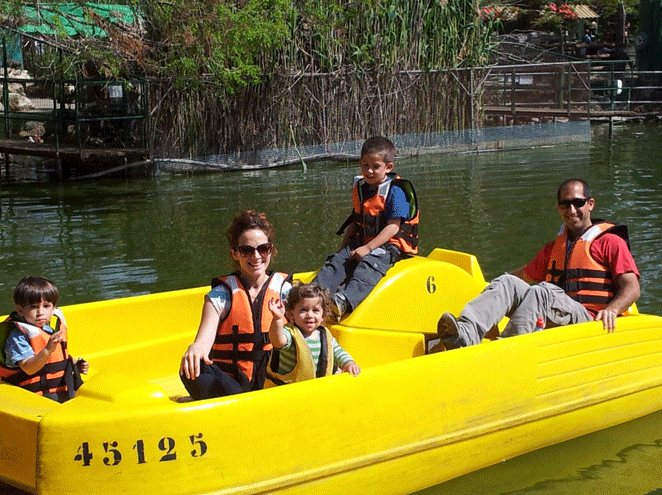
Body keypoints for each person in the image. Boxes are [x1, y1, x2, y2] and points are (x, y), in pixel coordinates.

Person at [437, 178, 640, 349]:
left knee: (541, 291)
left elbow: (632, 288)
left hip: (590, 321)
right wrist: (488, 287)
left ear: (590, 204)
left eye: (578, 203)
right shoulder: (554, 248)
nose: (571, 210)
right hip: (558, 314)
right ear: (558, 208)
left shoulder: (611, 242)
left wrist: (612, 310)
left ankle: (506, 349)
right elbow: (523, 275)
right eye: (565, 204)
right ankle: (465, 335)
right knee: (508, 282)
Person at [180, 209, 292, 400]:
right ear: (234, 254)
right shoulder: (220, 296)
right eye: (246, 250)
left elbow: (311, 331)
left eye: (263, 248)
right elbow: (203, 342)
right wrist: (196, 349)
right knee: (190, 369)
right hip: (232, 385)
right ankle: (237, 401)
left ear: (270, 250)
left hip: (277, 382)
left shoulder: (287, 291)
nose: (256, 256)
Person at [314, 136, 419, 319]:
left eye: (375, 166)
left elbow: (393, 227)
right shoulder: (361, 188)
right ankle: (313, 294)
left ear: (388, 167)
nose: (369, 171)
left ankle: (344, 301)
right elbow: (356, 221)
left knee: (370, 264)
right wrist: (343, 250)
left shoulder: (396, 190)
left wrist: (369, 248)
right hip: (364, 242)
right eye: (365, 165)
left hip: (389, 247)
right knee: (338, 260)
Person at [1, 276, 89, 402]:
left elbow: (55, 360)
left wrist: (75, 365)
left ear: (53, 308)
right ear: (20, 310)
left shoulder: (46, 329)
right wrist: (47, 351)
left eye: (46, 306)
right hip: (32, 400)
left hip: (58, 393)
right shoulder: (17, 337)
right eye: (33, 307)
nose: (40, 312)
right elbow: (28, 368)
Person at [267, 283, 360, 384]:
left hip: (314, 391)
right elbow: (277, 341)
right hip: (288, 393)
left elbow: (338, 353)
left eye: (315, 310)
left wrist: (348, 363)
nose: (310, 315)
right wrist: (277, 319)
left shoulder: (325, 336)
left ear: (323, 315)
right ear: (291, 313)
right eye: (303, 310)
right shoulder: (290, 333)